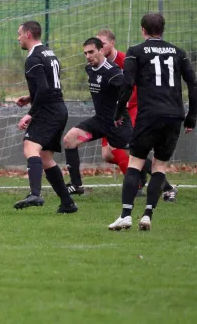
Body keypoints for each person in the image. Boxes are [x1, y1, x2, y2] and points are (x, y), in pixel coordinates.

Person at [109, 13, 197, 231]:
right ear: (163, 29)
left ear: (143, 30)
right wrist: (192, 116)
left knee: (135, 162)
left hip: (148, 115)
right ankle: (147, 214)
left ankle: (126, 215)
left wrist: (119, 111)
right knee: (159, 166)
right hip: (174, 115)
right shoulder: (178, 52)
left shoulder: (135, 52)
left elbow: (127, 84)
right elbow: (193, 84)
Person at [97, 29, 178, 201]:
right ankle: (141, 178)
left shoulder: (126, 58)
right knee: (108, 154)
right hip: (112, 112)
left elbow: (134, 84)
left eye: (102, 43)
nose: (99, 47)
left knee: (127, 148)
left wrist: (125, 102)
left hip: (131, 109)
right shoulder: (98, 63)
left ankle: (163, 187)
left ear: (112, 43)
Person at [14, 21, 77, 213]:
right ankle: (67, 203)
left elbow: (43, 88)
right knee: (45, 157)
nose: (18, 38)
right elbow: (49, 86)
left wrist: (30, 113)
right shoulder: (49, 53)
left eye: (19, 34)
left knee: (30, 146)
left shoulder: (33, 58)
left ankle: (35, 193)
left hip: (48, 110)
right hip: (59, 108)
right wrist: (29, 98)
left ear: (28, 35)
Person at [63, 38, 132, 192]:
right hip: (100, 121)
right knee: (70, 139)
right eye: (85, 53)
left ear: (101, 51)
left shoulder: (112, 71)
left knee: (135, 156)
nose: (88, 56)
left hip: (117, 123)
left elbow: (126, 89)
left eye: (91, 52)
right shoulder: (89, 69)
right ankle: (76, 185)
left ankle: (166, 187)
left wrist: (119, 112)